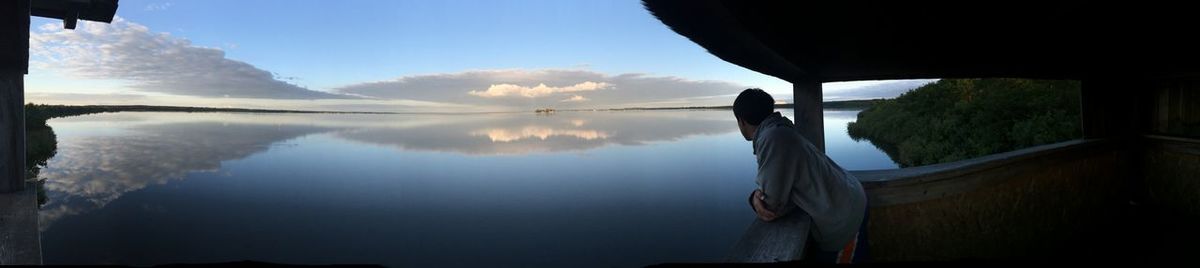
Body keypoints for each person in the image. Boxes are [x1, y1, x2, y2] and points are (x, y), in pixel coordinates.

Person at [733, 88, 870, 264]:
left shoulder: (773, 138)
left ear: (741, 121)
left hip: (844, 218)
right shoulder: (782, 130)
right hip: (850, 199)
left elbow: (771, 206)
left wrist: (754, 198)